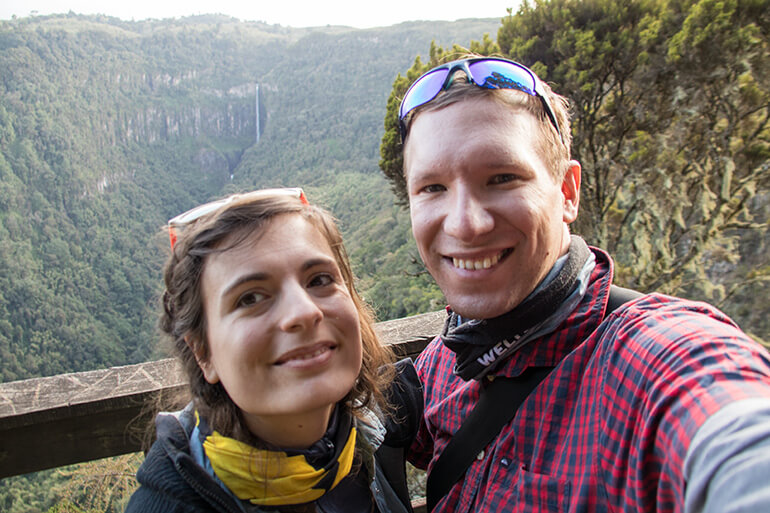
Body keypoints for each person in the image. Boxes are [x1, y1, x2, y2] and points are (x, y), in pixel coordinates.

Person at [392, 55, 770, 512]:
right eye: (433, 188)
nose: (467, 223)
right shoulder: (454, 356)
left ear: (568, 193)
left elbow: (728, 420)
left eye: (502, 178)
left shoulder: (647, 361)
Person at [126, 188, 422, 513]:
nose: (304, 312)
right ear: (203, 353)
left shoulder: (378, 417)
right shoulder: (168, 504)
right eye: (250, 298)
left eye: (319, 279)